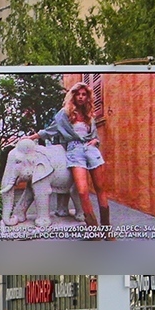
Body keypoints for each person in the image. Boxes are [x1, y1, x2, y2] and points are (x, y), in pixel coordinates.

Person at [39, 81, 110, 229]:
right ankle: (93, 229)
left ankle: (106, 228)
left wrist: (95, 141)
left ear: (87, 97)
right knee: (82, 191)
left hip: (91, 150)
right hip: (74, 150)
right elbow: (50, 130)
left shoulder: (89, 115)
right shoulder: (64, 114)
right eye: (78, 94)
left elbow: (94, 136)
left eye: (84, 94)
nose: (81, 97)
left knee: (100, 188)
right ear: (73, 96)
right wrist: (31, 137)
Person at [0, 131, 56, 228]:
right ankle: (19, 213)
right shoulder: (36, 172)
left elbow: (41, 193)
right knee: (31, 188)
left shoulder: (41, 166)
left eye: (18, 162)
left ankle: (43, 217)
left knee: (40, 191)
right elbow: (30, 192)